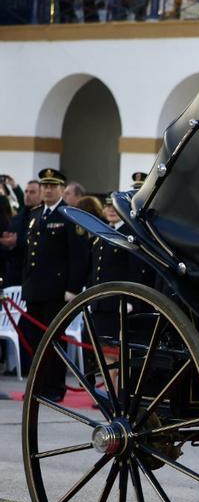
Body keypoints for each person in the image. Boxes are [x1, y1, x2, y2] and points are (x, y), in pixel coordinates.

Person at [18, 168, 90, 399]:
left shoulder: (68, 215)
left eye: (52, 186)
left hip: (56, 291)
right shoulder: (36, 214)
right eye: (45, 186)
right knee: (36, 340)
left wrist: (72, 288)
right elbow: (30, 254)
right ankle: (40, 385)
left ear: (61, 188)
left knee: (53, 341)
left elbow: (79, 255)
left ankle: (55, 387)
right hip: (35, 289)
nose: (47, 190)